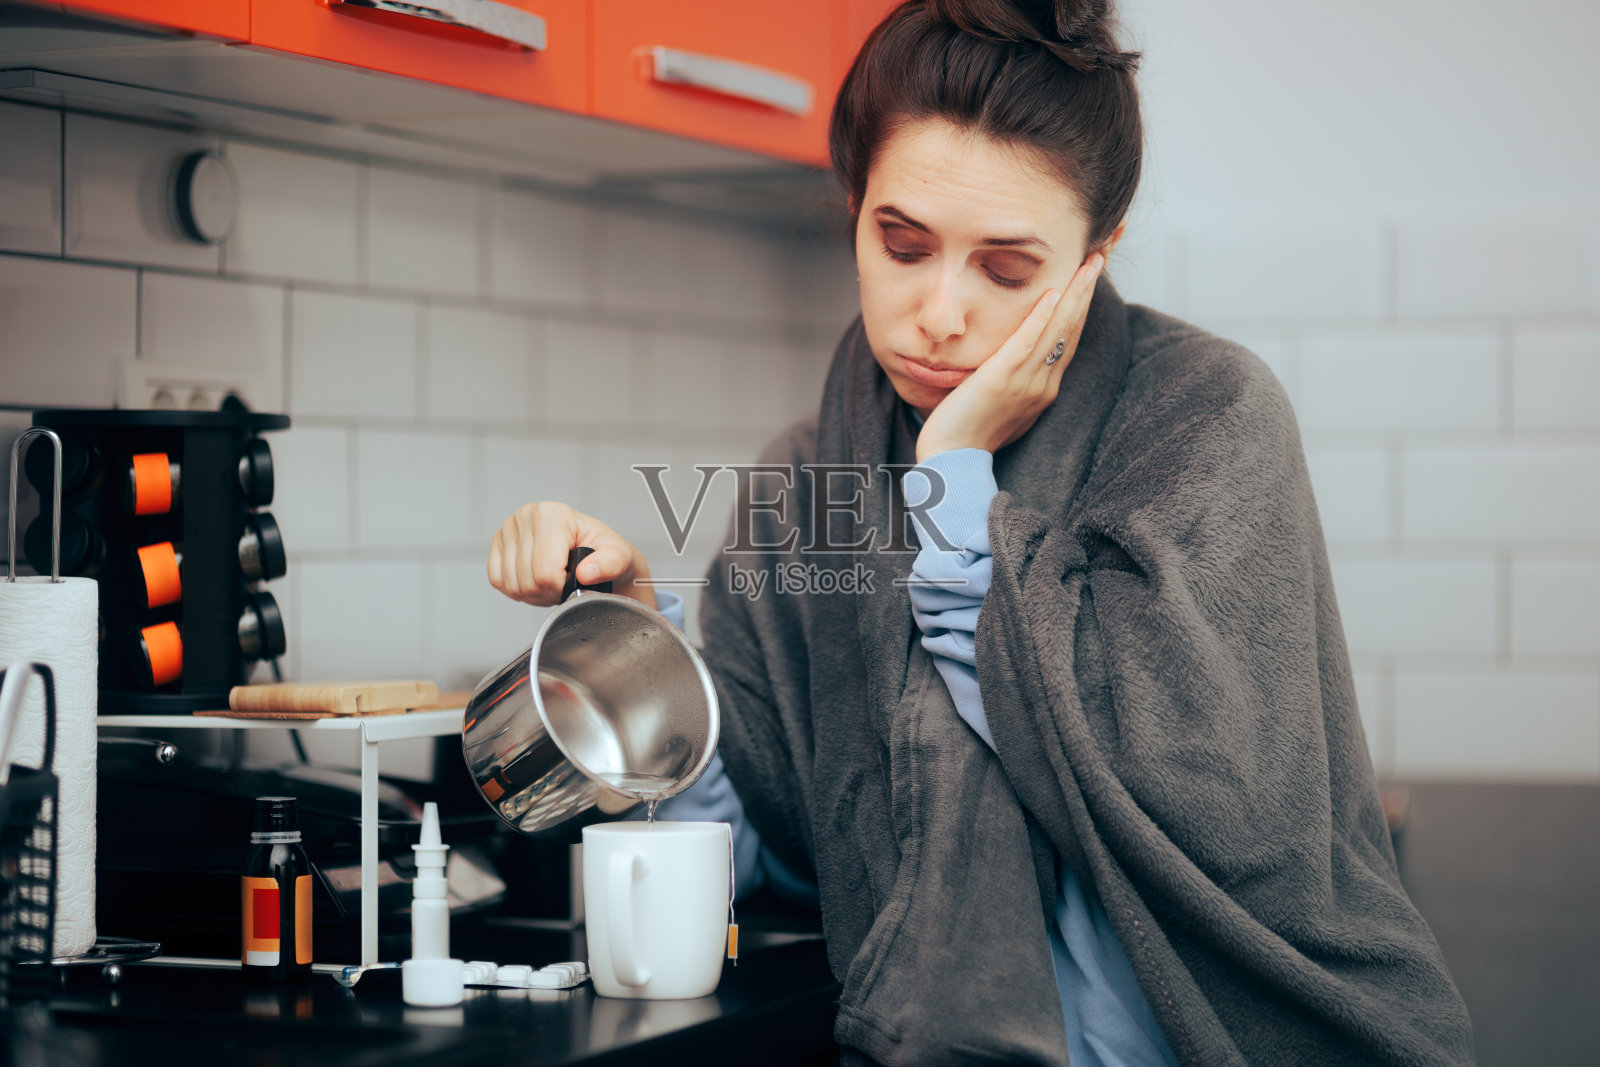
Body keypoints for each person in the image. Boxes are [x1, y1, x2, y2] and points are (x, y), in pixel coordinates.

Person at [487, 2, 1476, 1064]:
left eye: (1006, 269)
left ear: (1096, 257)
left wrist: (952, 470)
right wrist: (633, 637)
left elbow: (1202, 798)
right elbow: (769, 854)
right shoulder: (807, 472)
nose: (940, 312)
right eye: (900, 243)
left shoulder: (1209, 414)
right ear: (853, 209)